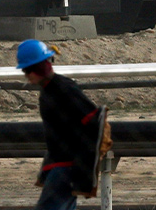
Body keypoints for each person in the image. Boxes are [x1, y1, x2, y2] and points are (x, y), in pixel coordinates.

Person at [17, 39, 110, 210]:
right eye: (25, 70)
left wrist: (83, 159)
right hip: (62, 164)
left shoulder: (63, 88)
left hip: (65, 167)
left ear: (40, 67)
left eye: (28, 70)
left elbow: (93, 121)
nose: (27, 75)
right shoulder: (50, 90)